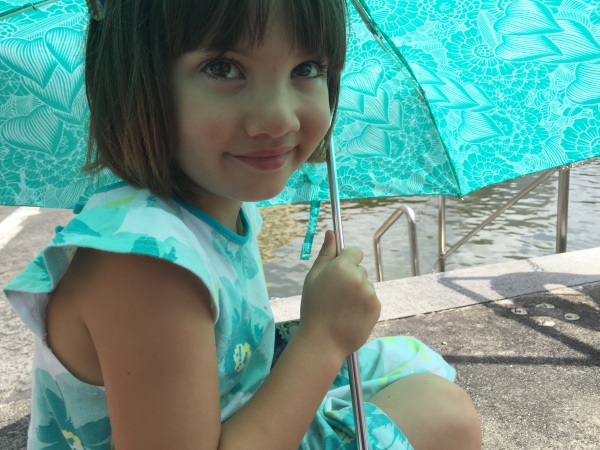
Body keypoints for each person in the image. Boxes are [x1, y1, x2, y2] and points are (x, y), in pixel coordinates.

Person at [4, 0, 482, 449]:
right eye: (223, 68)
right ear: (137, 82)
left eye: (306, 69)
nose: (277, 117)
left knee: (403, 363)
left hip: (235, 415)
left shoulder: (219, 204)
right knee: (443, 413)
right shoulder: (144, 267)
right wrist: (324, 337)